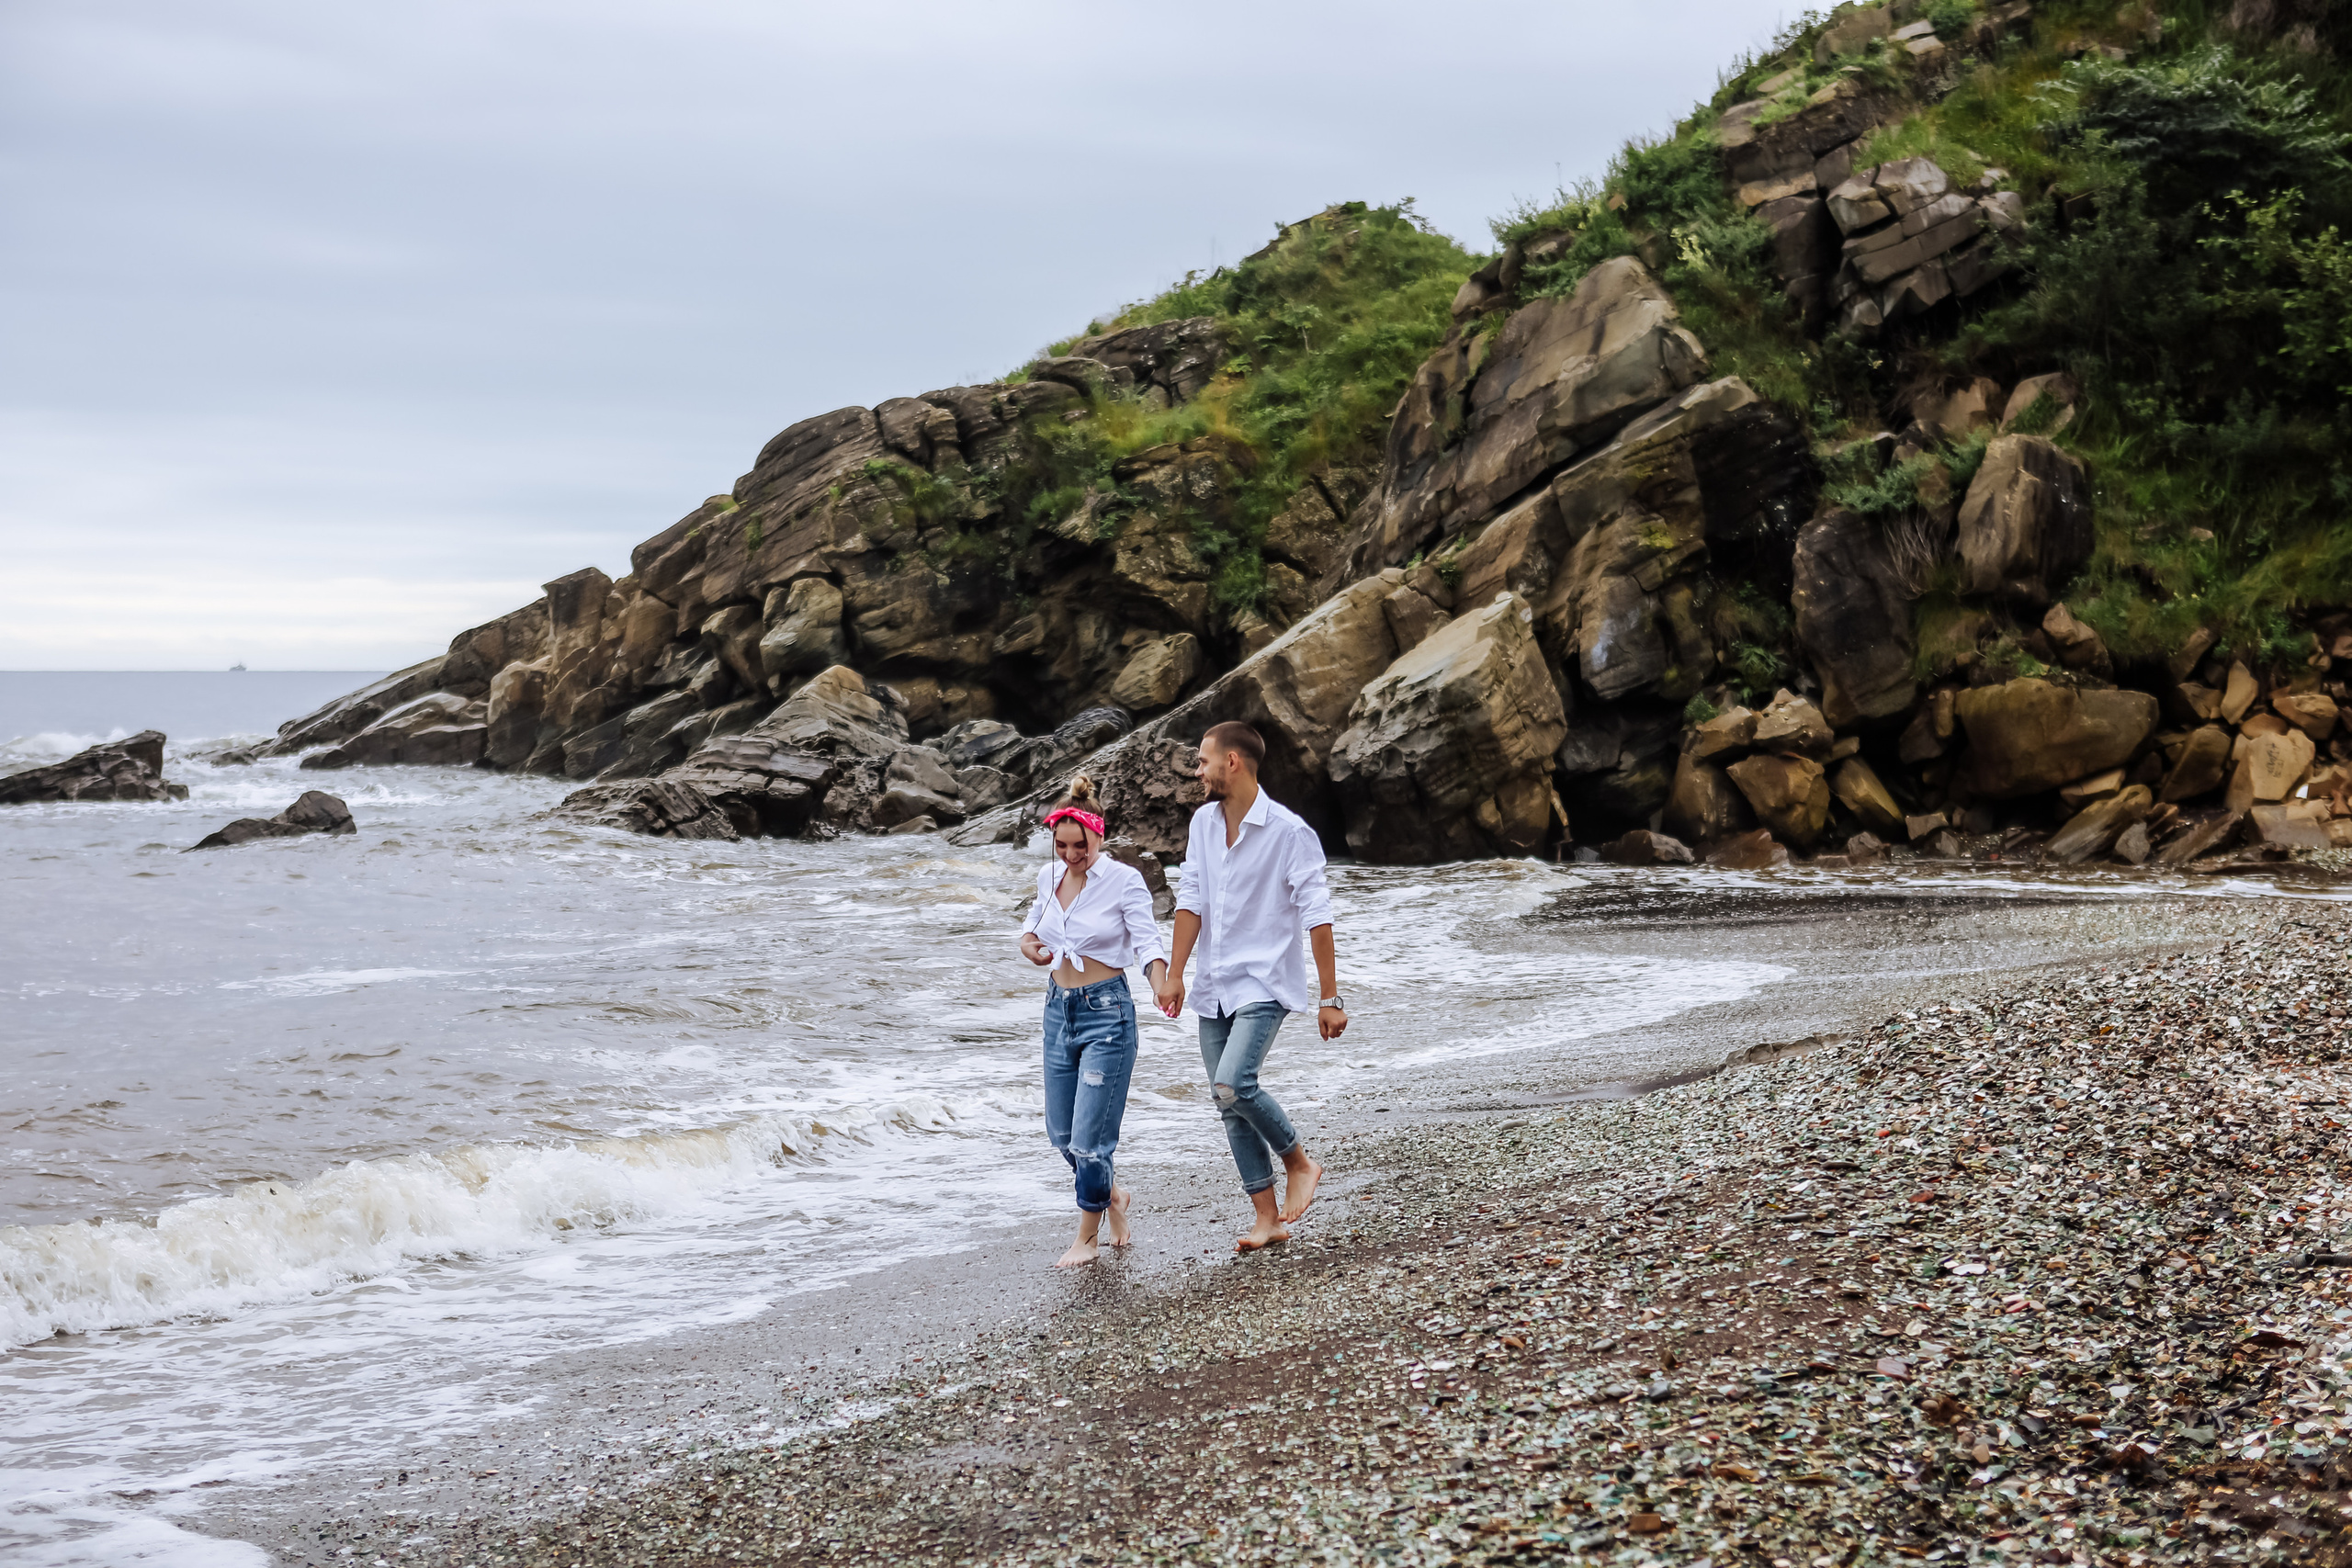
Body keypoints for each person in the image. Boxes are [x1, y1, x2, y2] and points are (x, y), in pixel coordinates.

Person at [1160, 721, 1347, 1252]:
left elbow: (1317, 915)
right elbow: (1190, 899)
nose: (1198, 771)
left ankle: (1299, 1161)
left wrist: (1329, 998)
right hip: (1213, 984)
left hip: (1264, 980)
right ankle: (1268, 1220)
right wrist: (1175, 973)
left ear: (1233, 762)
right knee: (1226, 1101)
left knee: (1234, 1083)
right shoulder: (1202, 824)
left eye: (1203, 761)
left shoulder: (1290, 833)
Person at [1018, 775, 1181, 1268]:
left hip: (1106, 1014)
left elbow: (1147, 941)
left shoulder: (1124, 881)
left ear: (1099, 836)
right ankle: (1112, 1195)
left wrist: (1161, 981)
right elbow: (1030, 929)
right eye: (1061, 845)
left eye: (1080, 846)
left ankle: (1085, 1239)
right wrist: (1031, 947)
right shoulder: (1050, 878)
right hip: (1056, 1010)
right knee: (1061, 1136)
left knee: (1091, 1141)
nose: (1070, 855)